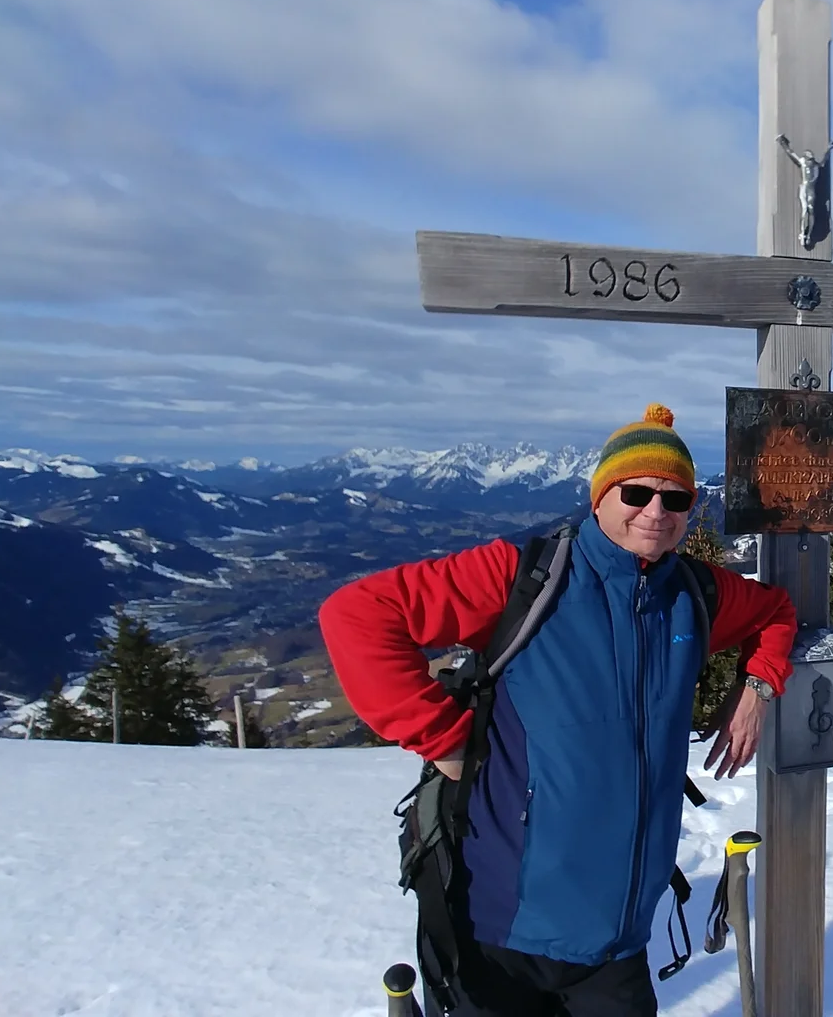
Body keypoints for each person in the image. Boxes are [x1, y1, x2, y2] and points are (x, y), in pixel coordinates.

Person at [321, 404, 798, 1016]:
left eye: (675, 500)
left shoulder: (693, 594)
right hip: (502, 931)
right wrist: (439, 738)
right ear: (599, 497)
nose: (655, 512)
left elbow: (776, 611)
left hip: (618, 940)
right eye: (636, 492)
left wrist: (758, 687)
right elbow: (357, 614)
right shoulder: (525, 578)